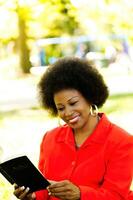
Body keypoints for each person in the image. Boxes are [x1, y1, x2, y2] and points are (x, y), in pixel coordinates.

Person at [13, 57, 133, 200]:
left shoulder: (121, 141)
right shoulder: (49, 139)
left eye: (73, 103)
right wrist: (32, 196)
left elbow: (117, 196)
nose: (68, 113)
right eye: (61, 108)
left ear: (90, 97)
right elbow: (45, 189)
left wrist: (80, 194)